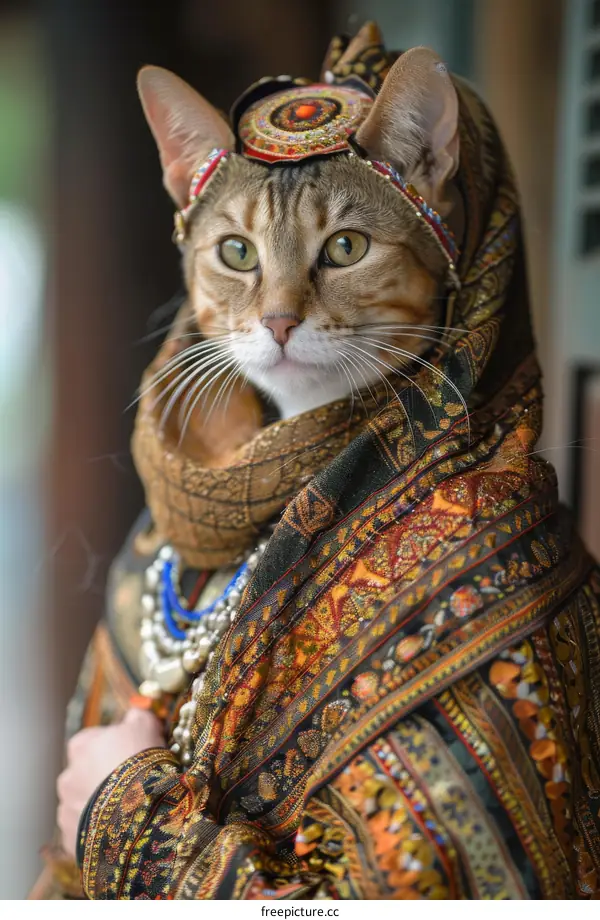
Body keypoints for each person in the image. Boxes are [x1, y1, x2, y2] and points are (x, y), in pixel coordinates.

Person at [42, 23, 600, 899]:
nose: (279, 308)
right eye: (237, 254)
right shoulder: (177, 521)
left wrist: (126, 819)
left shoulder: (485, 558)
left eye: (342, 249)